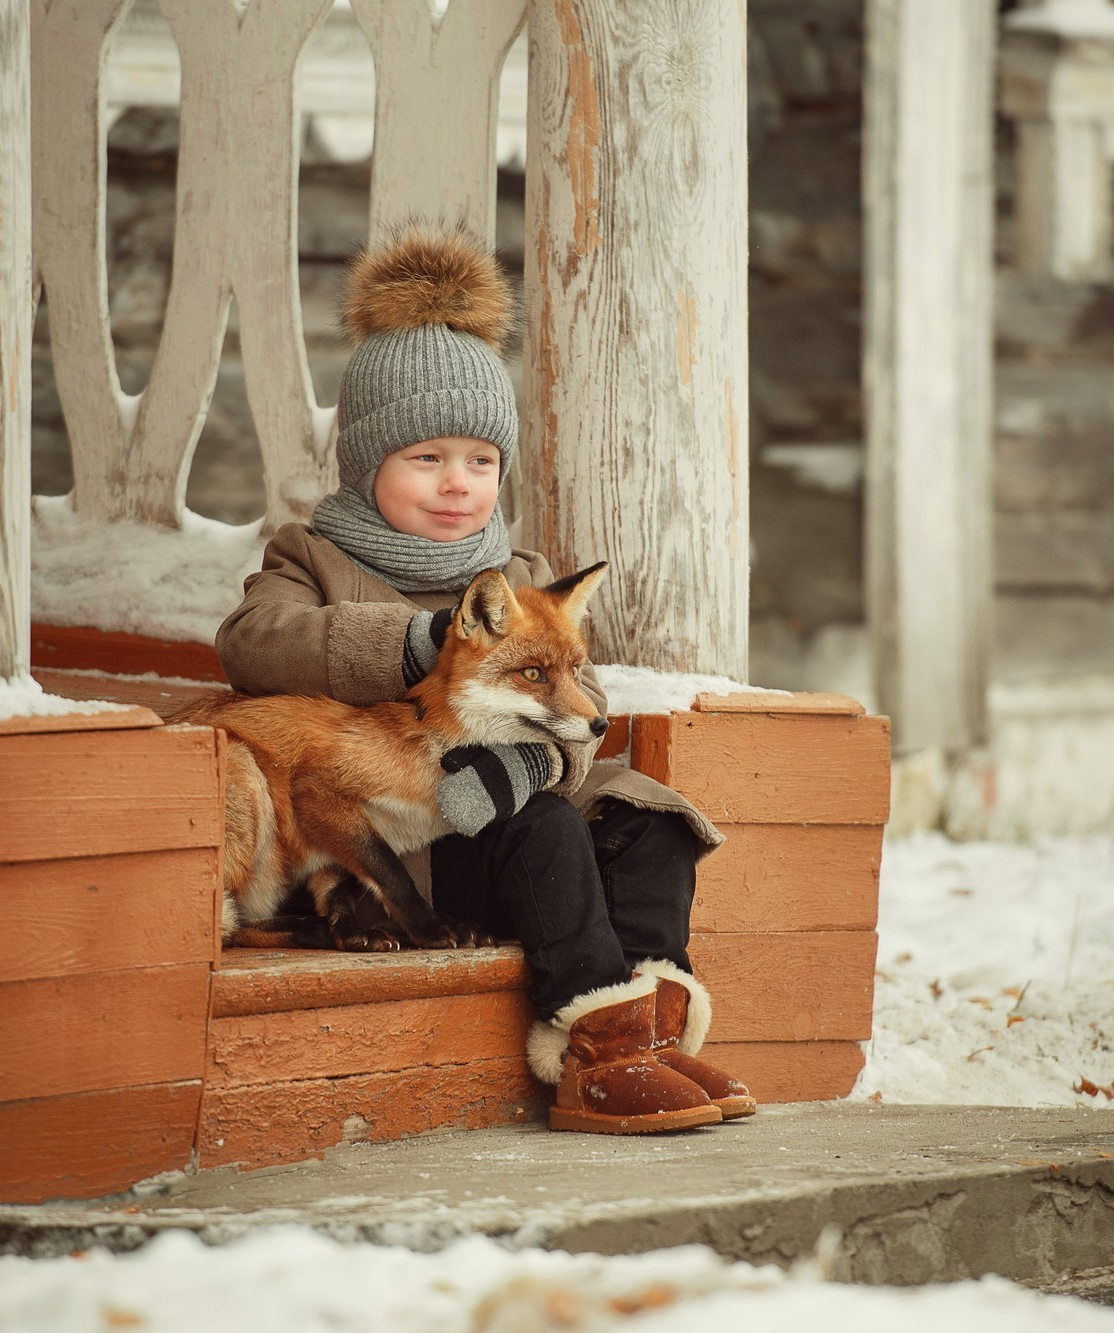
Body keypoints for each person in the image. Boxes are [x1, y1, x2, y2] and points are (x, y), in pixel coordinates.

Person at [215, 225, 757, 1135]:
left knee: (650, 818)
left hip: (499, 817)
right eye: (426, 459)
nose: (457, 484)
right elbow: (252, 643)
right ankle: (596, 1053)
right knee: (543, 828)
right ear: (368, 463)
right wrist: (418, 642)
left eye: (481, 460)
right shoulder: (311, 556)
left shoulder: (523, 570)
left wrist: (543, 759)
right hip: (402, 845)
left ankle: (651, 1031)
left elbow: (581, 699)